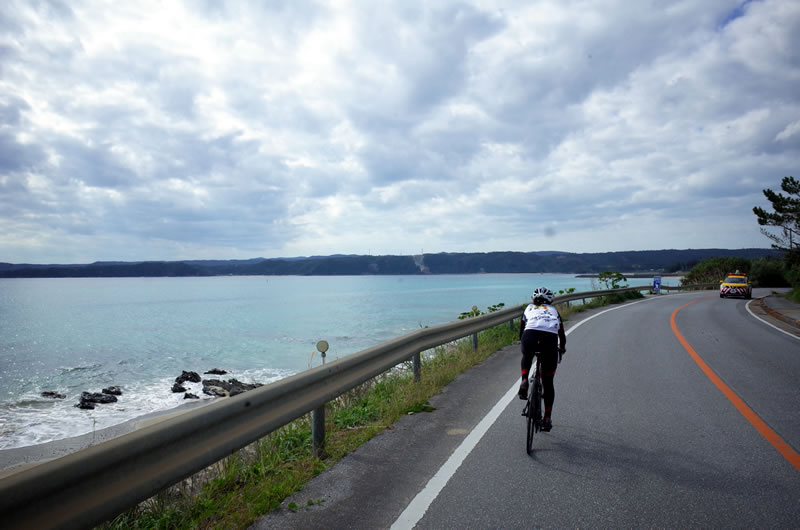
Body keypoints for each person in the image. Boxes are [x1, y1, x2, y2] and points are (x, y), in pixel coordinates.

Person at [518, 287, 566, 432]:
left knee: (526, 355)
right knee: (548, 381)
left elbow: (521, 332)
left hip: (530, 337)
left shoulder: (528, 309)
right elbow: (561, 335)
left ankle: (525, 380)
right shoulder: (554, 312)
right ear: (550, 300)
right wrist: (562, 348)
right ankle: (547, 418)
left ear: (534, 299)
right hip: (549, 341)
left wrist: (525, 344)